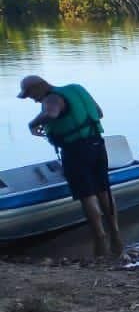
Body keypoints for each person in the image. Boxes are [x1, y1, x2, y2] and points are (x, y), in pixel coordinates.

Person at [17, 75, 124, 256]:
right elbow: (98, 113)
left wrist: (33, 123)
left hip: (76, 150)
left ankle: (99, 237)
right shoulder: (76, 89)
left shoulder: (51, 98)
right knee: (103, 189)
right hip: (97, 145)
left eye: (30, 94)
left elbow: (51, 113)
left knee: (86, 194)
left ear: (39, 86)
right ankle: (115, 234)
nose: (32, 99)